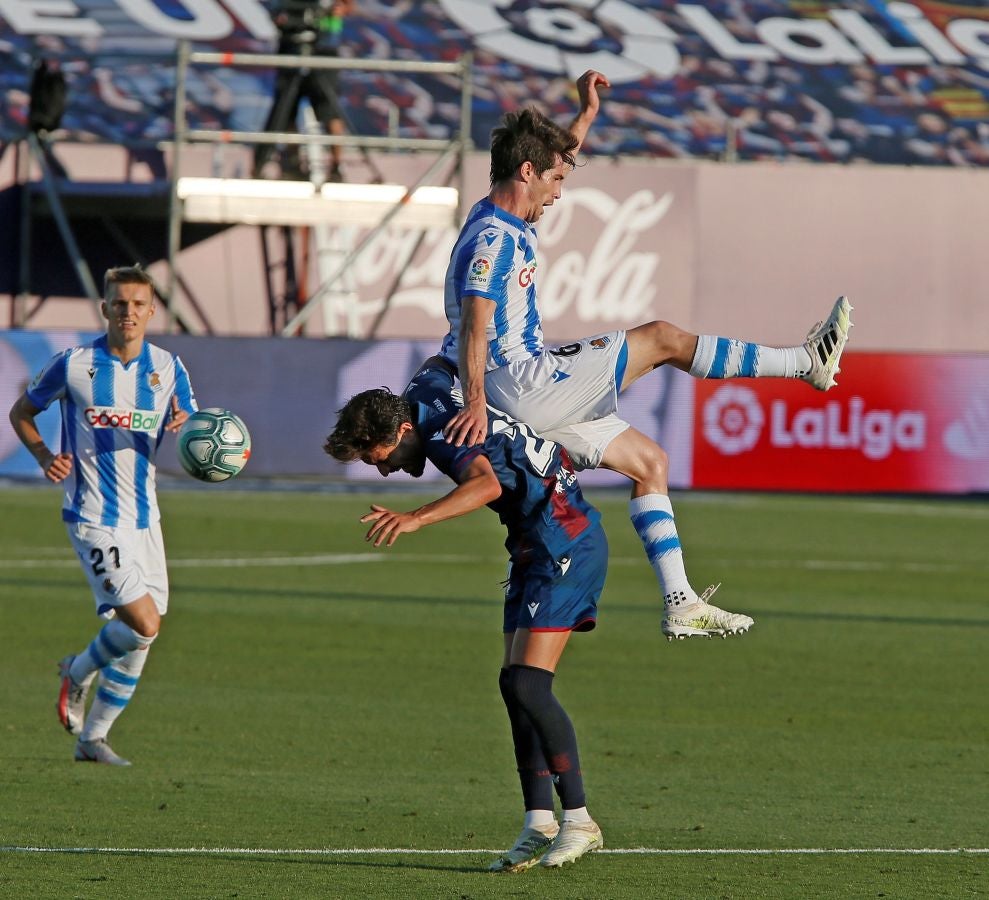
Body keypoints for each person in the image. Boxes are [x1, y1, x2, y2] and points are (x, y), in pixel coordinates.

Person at [439, 70, 853, 641]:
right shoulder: (493, 239)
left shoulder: (506, 213)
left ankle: (680, 602)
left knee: (650, 463)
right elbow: (475, 324)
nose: (559, 192)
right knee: (660, 337)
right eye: (556, 179)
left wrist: (585, 114)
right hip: (520, 382)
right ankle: (806, 363)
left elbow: (558, 155)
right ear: (527, 171)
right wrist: (479, 401)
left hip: (528, 388)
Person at [325, 356, 607, 872]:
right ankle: (538, 823)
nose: (385, 469)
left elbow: (486, 485)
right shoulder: (423, 388)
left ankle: (580, 820)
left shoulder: (443, 436)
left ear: (404, 429)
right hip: (531, 545)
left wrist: (415, 518)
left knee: (527, 685)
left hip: (565, 539)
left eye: (381, 457)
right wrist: (487, 385)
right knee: (514, 684)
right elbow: (445, 357)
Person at [8, 265, 197, 766]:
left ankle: (92, 739)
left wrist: (187, 422)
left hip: (145, 519)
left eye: (138, 304)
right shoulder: (73, 365)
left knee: (141, 638)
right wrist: (46, 457)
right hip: (91, 514)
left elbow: (194, 421)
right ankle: (77, 671)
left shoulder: (169, 368)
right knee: (144, 621)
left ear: (152, 310)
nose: (128, 312)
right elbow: (21, 412)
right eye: (119, 304)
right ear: (105, 309)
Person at [253, 0, 355, 182]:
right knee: (287, 109)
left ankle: (336, 166)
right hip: (291, 48)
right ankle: (292, 164)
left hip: (324, 50)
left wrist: (336, 10)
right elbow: (275, 11)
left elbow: (348, 6)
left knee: (328, 110)